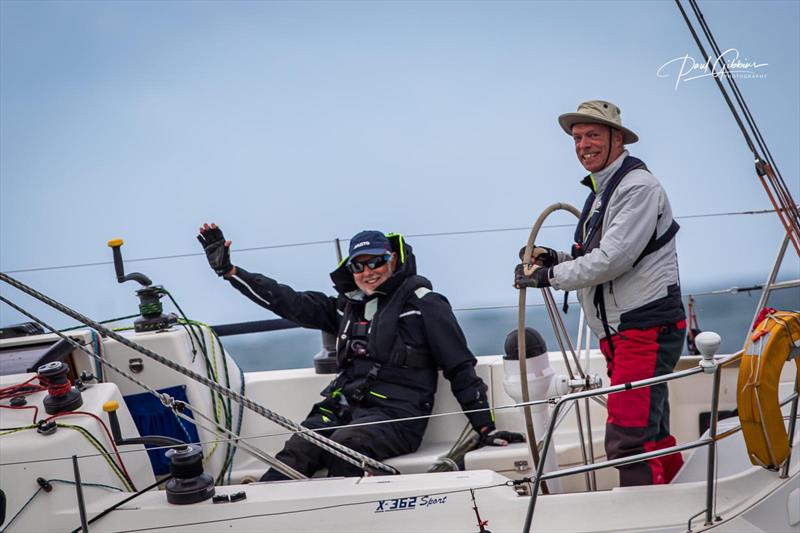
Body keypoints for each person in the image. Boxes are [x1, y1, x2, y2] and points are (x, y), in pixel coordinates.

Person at [198, 225, 523, 480]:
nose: (369, 271)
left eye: (377, 262)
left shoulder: (424, 304)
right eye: (359, 265)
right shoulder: (344, 308)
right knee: (295, 452)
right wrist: (231, 272)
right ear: (350, 269)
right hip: (342, 409)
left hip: (400, 417)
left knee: (344, 449)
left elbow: (460, 367)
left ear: (393, 259)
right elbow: (287, 300)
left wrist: (485, 428)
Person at [514, 100, 686, 486]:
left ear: (618, 138)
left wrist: (548, 276)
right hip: (626, 332)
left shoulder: (638, 188)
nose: (583, 145)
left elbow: (613, 259)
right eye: (577, 138)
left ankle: (647, 519)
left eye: (593, 135)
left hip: (644, 328)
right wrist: (551, 258)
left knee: (629, 440)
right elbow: (598, 256)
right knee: (652, 431)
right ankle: (683, 496)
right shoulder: (604, 190)